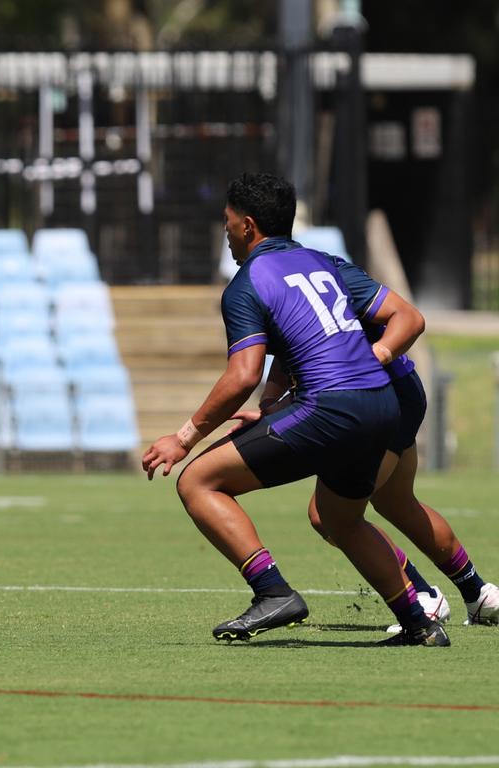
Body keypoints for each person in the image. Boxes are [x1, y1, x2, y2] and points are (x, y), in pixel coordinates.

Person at [142, 171, 449, 647]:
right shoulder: (325, 262)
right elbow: (404, 317)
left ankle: (272, 592)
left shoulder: (246, 284)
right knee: (339, 518)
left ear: (246, 226)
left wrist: (183, 438)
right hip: (382, 404)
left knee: (198, 480)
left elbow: (242, 374)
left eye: (226, 224)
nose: (224, 234)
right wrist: (280, 404)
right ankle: (420, 623)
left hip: (330, 408)